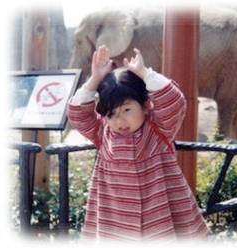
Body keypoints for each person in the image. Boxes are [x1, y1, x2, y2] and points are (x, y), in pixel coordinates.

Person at [67, 45, 208, 242]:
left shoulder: (158, 129)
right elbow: (77, 113)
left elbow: (174, 101)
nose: (119, 121)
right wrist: (95, 79)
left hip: (161, 218)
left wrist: (144, 73)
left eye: (126, 110)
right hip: (114, 222)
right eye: (111, 114)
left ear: (145, 105)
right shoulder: (102, 132)